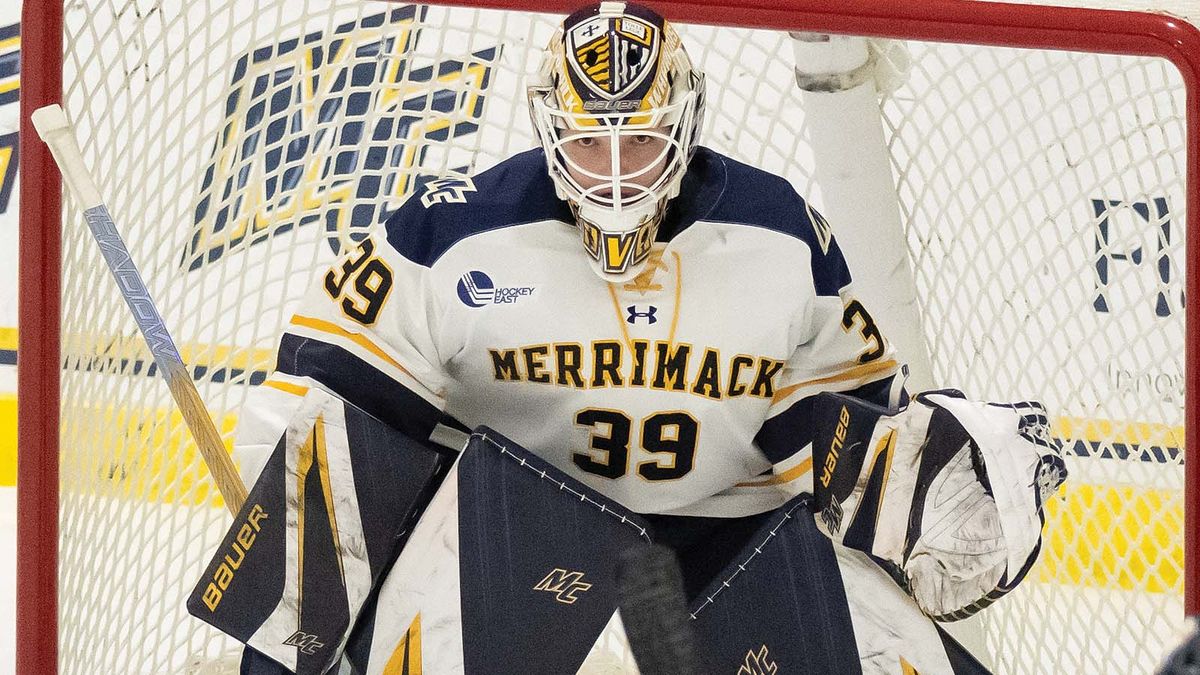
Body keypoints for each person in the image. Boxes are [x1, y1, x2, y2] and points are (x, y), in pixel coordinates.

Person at [220, 2, 1063, 671]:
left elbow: (836, 432)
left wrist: (926, 473)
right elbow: (329, 400)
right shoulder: (455, 234)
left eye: (641, 138)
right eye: (591, 141)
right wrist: (301, 608)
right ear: (551, 129)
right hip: (511, 536)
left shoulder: (780, 236)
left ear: (685, 124)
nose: (616, 168)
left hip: (728, 533)